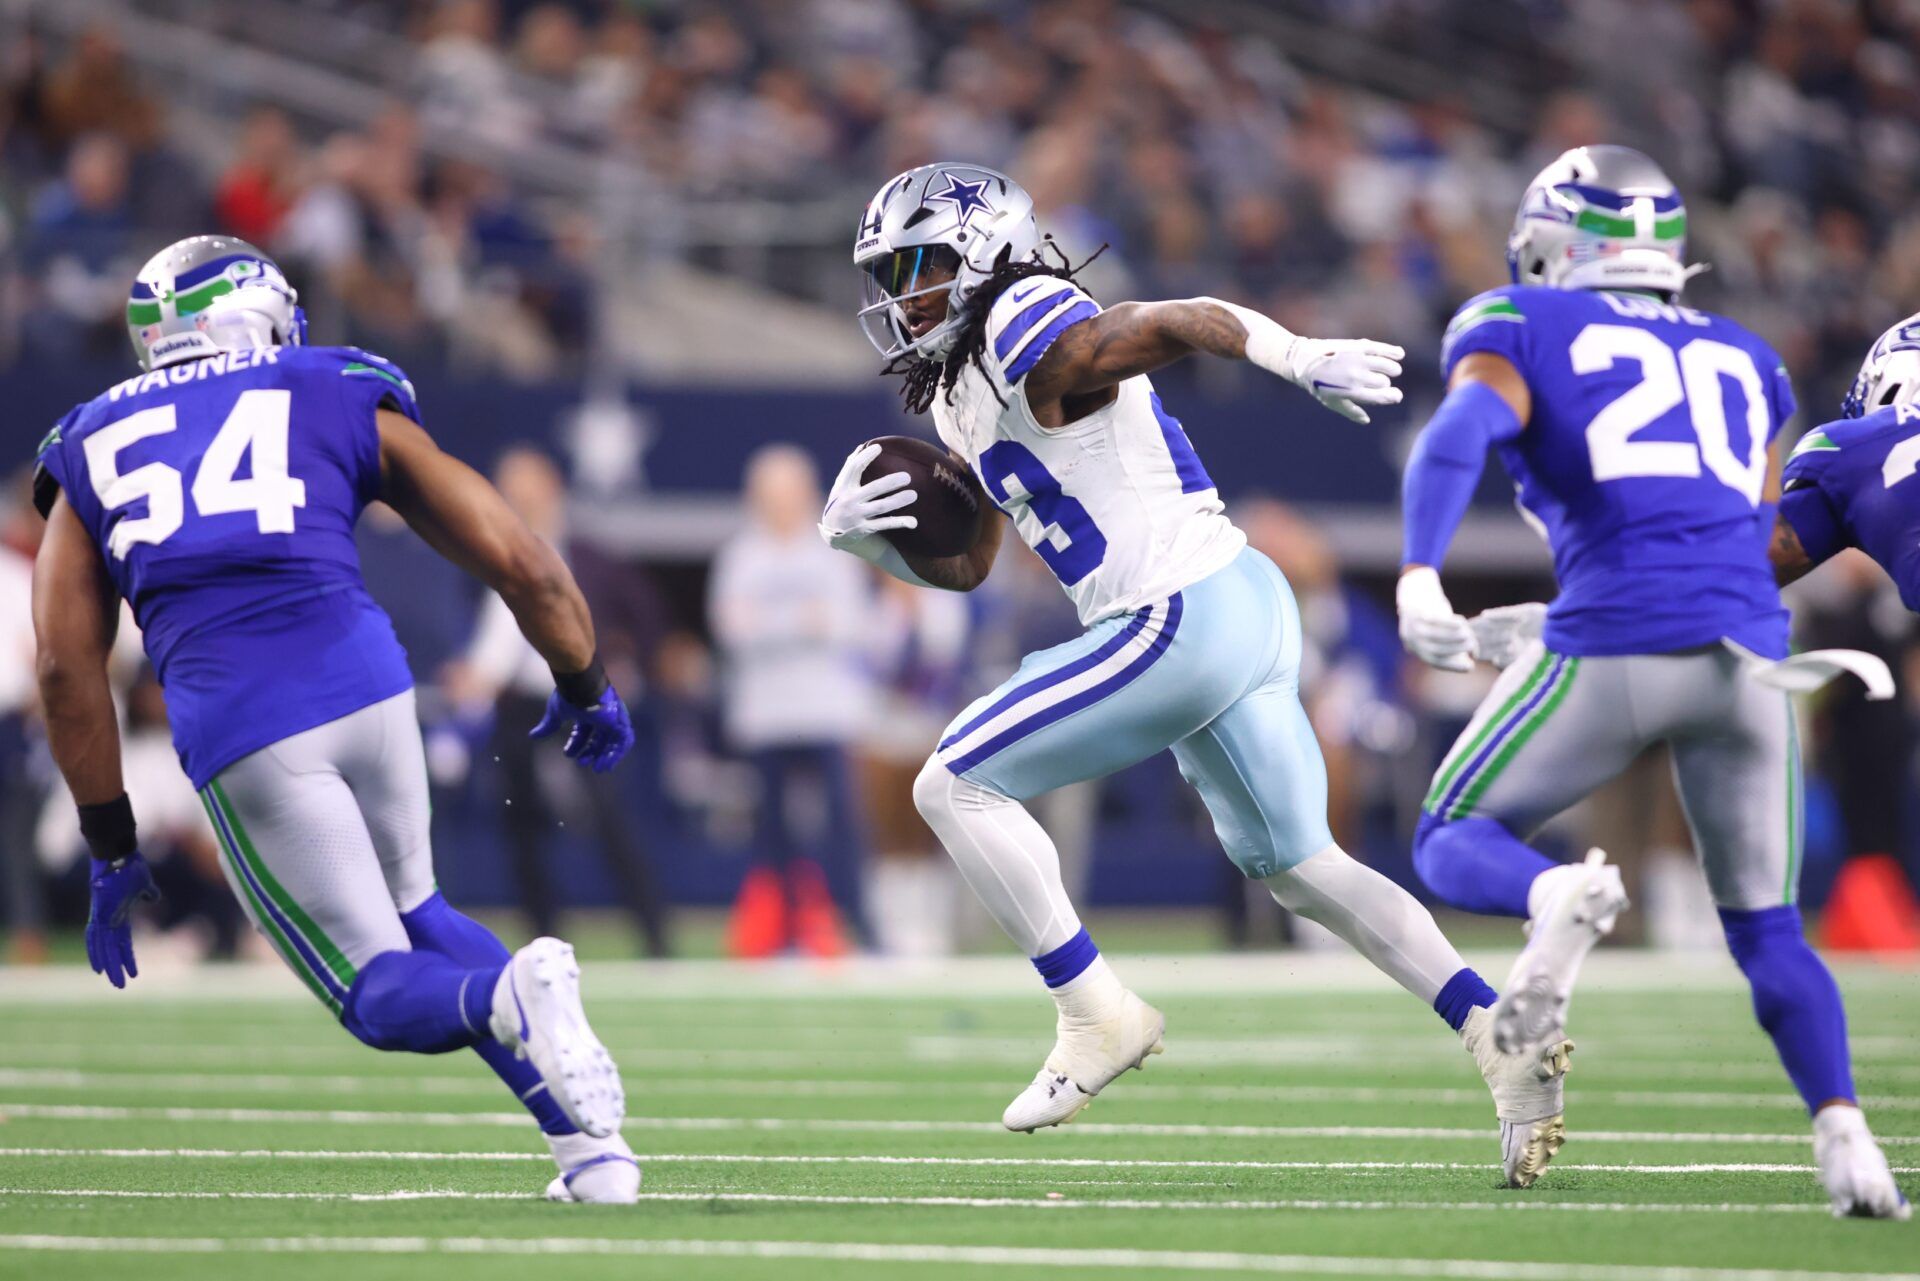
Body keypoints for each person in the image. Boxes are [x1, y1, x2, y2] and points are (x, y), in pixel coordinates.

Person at [824, 162, 1567, 1189]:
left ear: (983, 253)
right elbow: (979, 561)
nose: (901, 297)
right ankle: (1498, 1034)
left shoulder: (1020, 314)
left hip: (1179, 611)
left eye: (918, 267)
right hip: (1232, 608)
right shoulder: (963, 389)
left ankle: (1095, 1012)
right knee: (1302, 868)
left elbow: (1176, 318)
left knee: (951, 780)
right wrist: (872, 547)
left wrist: (1293, 353)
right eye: (889, 275)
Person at [29, 235, 641, 1204]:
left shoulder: (88, 437)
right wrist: (585, 680)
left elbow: (67, 670)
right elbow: (516, 554)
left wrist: (109, 842)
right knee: (423, 910)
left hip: (244, 721)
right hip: (369, 684)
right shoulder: (329, 381)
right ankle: (592, 1157)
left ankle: (508, 996)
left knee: (375, 994)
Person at [1395, 146, 1908, 1220]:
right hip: (1755, 658)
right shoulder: (1751, 358)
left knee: (1448, 831)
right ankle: (1849, 1141)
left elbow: (1459, 433)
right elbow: (1732, 538)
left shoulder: (1519, 323)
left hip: (1622, 638)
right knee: (1769, 931)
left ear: (1555, 244)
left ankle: (1557, 895)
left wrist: (1419, 572)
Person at [449, 446, 672, 957]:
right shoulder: (488, 554)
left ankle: (654, 933)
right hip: (519, 704)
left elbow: (645, 613)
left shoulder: (591, 555)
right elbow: (478, 626)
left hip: (579, 694)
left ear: (552, 488)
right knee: (522, 821)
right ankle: (543, 935)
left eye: (529, 489)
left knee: (609, 818)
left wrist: (626, 659)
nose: (521, 500)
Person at [709, 444, 872, 958]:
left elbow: (845, 624)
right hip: (764, 715)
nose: (780, 504)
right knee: (771, 831)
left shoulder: (834, 547)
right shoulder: (740, 554)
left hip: (827, 711)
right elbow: (732, 630)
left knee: (843, 826)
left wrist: (770, 624)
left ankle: (856, 928)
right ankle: (780, 932)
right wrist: (801, 621)